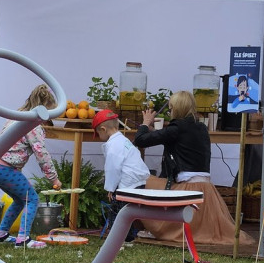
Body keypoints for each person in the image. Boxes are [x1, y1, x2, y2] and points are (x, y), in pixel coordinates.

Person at [133, 91, 253, 245]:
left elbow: (140, 140)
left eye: (171, 109)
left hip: (187, 187)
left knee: (145, 181)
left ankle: (153, 228)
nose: (170, 112)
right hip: (206, 188)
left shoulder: (175, 129)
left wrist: (145, 122)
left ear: (177, 109)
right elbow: (181, 141)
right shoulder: (201, 127)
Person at [0, 84, 62, 249]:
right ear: (43, 110)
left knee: (20, 199)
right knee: (32, 199)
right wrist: (54, 178)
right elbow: (42, 154)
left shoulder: (16, 118)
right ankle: (23, 239)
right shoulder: (33, 125)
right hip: (4, 168)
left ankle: (1, 234)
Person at [92, 109, 150, 241]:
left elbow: (113, 168)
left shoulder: (113, 145)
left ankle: (116, 239)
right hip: (138, 183)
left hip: (127, 185)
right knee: (127, 213)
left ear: (103, 129)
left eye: (98, 133)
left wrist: (111, 188)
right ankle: (128, 238)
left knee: (116, 212)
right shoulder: (124, 140)